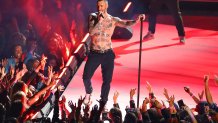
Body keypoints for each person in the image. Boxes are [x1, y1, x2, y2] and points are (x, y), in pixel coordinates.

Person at [83, 0, 145, 104]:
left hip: (108, 53)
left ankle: (103, 101)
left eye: (101, 6)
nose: (99, 8)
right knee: (86, 77)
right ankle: (89, 93)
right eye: (98, 6)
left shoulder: (112, 19)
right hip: (95, 52)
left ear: (106, 6)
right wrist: (99, 22)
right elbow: (91, 32)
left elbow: (125, 24)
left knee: (107, 81)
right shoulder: (93, 16)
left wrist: (136, 20)